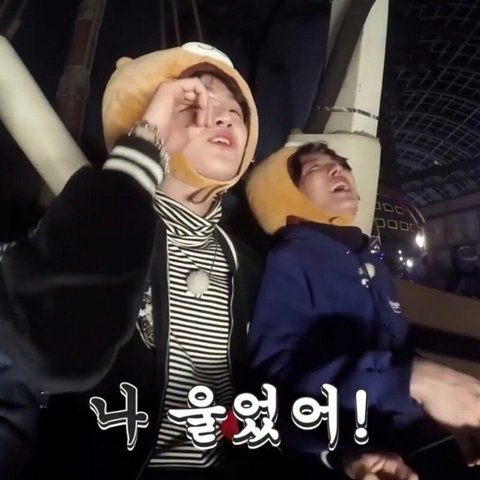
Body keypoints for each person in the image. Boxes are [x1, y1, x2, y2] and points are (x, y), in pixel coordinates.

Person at [0, 43, 414, 480]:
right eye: (193, 101)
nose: (225, 116)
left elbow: (272, 397)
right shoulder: (79, 224)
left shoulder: (255, 266)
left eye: (236, 110)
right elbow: (52, 355)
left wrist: (340, 455)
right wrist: (145, 142)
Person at [246, 141, 480, 478]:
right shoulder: (290, 258)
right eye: (314, 168)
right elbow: (275, 385)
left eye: (342, 163)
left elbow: (399, 353)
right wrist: (414, 382)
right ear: (286, 193)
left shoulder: (370, 261)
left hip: (416, 446)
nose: (337, 169)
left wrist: (440, 410)